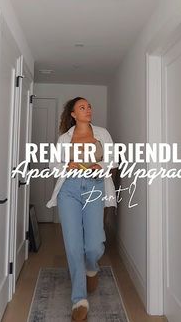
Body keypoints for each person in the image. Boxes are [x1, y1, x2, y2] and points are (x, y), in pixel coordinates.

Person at [47, 97, 118, 322]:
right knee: (73, 243)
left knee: (95, 243)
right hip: (69, 189)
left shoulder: (102, 134)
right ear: (73, 115)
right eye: (82, 107)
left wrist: (100, 165)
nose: (88, 109)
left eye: (89, 106)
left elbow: (113, 160)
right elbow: (54, 164)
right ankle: (79, 299)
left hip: (95, 187)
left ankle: (91, 266)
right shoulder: (64, 139)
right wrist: (67, 164)